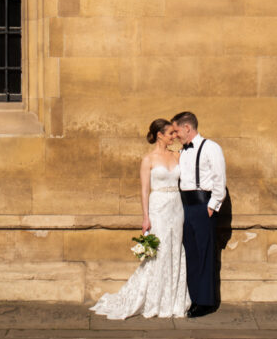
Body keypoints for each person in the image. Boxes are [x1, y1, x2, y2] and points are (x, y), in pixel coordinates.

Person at [90, 119, 190, 319]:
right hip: (158, 206)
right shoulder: (148, 159)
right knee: (159, 251)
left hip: (177, 206)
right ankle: (155, 301)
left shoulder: (178, 155)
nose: (174, 136)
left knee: (175, 249)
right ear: (160, 135)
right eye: (170, 133)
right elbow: (144, 190)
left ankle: (173, 301)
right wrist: (145, 217)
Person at [171, 111, 226, 318]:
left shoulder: (211, 147)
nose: (175, 135)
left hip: (204, 206)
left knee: (204, 254)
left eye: (176, 130)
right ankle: (193, 298)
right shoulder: (182, 151)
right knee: (190, 254)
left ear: (187, 128)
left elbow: (219, 179)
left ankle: (206, 302)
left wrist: (212, 206)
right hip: (184, 207)